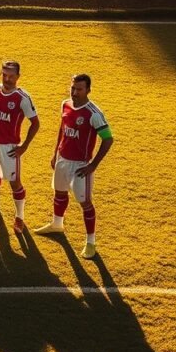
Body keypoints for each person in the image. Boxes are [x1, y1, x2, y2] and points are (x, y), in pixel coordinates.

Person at [34, 74, 114, 259]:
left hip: (80, 165)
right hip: (63, 159)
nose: (75, 92)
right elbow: (62, 129)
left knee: (85, 203)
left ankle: (91, 242)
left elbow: (108, 139)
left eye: (79, 89)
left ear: (88, 90)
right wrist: (55, 153)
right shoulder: (66, 104)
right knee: (59, 193)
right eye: (73, 88)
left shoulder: (93, 113)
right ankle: (57, 224)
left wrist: (93, 165)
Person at [0, 60, 39, 234]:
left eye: (11, 76)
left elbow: (35, 123)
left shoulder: (22, 98)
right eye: (4, 74)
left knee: (14, 182)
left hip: (9, 147)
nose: (7, 78)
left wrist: (24, 145)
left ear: (18, 77)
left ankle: (20, 216)